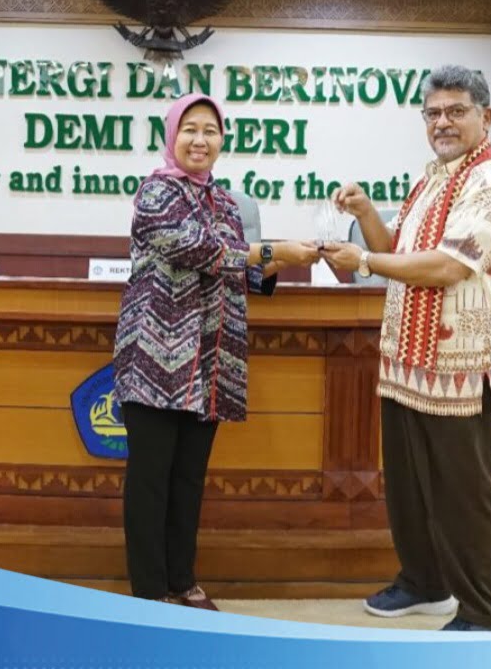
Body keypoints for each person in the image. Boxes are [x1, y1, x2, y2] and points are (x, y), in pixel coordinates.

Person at [322, 65, 491, 632]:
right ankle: (424, 583)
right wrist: (367, 215)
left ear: (486, 117)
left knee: (461, 496)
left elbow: (445, 267)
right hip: (408, 366)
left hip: (464, 370)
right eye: (433, 113)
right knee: (410, 490)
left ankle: (485, 614)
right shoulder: (431, 179)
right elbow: (400, 250)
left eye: (456, 111)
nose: (443, 123)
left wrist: (364, 261)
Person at [113, 93, 319, 609]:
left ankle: (182, 581)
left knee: (188, 480)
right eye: (190, 129)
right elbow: (201, 251)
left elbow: (243, 272)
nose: (200, 140)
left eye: (210, 130)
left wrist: (299, 256)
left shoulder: (226, 202)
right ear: (171, 136)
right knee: (151, 482)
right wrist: (272, 250)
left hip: (207, 362)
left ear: (223, 139)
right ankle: (149, 594)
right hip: (155, 359)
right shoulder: (154, 193)